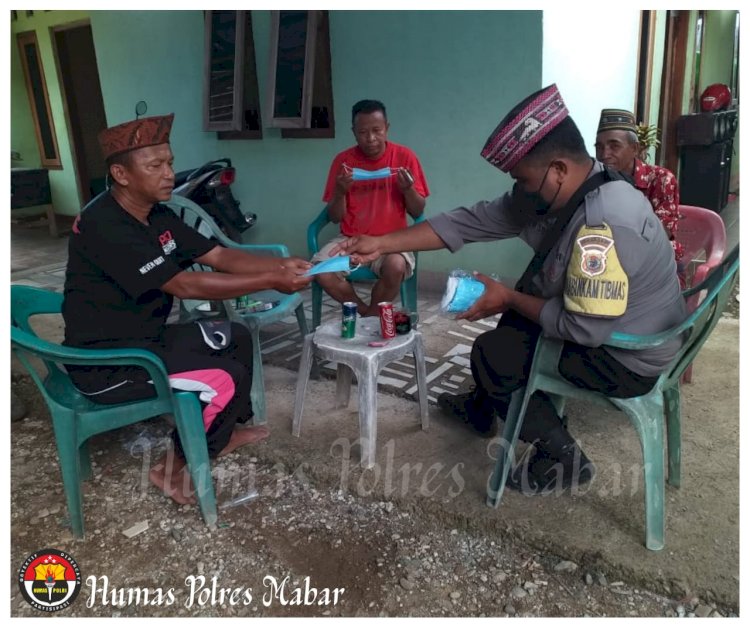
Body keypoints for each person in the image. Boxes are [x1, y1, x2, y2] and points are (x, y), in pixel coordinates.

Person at [332, 85, 686, 495]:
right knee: (518, 311)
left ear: (556, 169)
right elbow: (468, 221)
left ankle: (562, 457)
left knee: (493, 353)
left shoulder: (604, 224)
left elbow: (584, 330)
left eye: (523, 178)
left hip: (628, 356)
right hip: (612, 323)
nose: (517, 189)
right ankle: (482, 408)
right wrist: (383, 243)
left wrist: (506, 296)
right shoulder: (563, 189)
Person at [62, 113, 313, 505]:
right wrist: (271, 281)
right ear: (121, 174)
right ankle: (171, 467)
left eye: (170, 163)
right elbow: (184, 284)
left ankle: (224, 433)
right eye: (155, 165)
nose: (168, 174)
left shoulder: (156, 212)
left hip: (147, 340)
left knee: (237, 337)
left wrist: (281, 266)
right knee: (223, 378)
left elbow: (217, 255)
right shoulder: (105, 224)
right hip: (108, 362)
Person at [313, 99, 429, 317]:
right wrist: (339, 192)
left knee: (396, 266)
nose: (371, 138)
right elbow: (336, 217)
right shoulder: (344, 161)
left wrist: (408, 190)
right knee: (322, 271)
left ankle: (372, 315)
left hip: (393, 240)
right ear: (354, 132)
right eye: (363, 132)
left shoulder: (404, 157)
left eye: (377, 130)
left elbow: (417, 211)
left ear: (387, 128)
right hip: (351, 239)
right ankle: (367, 313)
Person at [594, 108, 684, 264]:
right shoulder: (597, 180)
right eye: (599, 147)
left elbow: (661, 234)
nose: (604, 155)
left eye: (614, 146)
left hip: (658, 264)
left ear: (634, 148)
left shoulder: (661, 180)